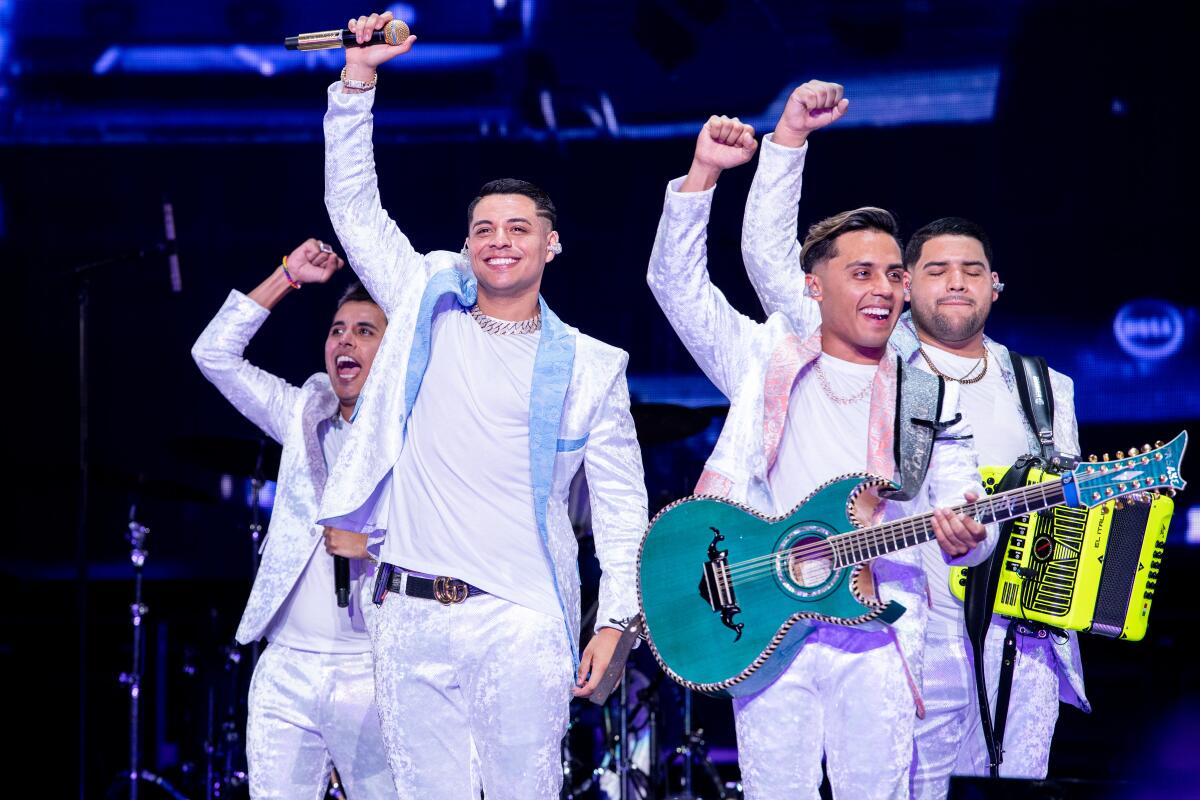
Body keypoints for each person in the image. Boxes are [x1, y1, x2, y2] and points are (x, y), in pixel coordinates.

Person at [314, 11, 649, 798]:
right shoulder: (426, 309)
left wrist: (618, 622)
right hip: (408, 613)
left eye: (519, 228)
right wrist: (358, 80)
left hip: (520, 618)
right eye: (484, 229)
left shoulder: (592, 368)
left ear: (550, 245)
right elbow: (355, 208)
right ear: (467, 246)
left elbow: (624, 510)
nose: (499, 239)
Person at [738, 84, 1088, 794]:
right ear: (904, 289)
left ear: (997, 286)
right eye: (932, 270)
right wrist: (788, 144)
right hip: (907, 628)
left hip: (1020, 640)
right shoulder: (881, 368)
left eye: (971, 271)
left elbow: (1070, 515)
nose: (954, 283)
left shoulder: (1050, 386)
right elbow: (773, 263)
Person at [647, 111, 997, 799]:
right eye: (861, 272)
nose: (883, 289)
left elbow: (965, 512)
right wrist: (705, 174)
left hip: (879, 622)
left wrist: (968, 535)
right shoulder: (762, 360)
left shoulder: (927, 394)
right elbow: (678, 286)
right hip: (764, 617)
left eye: (894, 274)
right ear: (814, 284)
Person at [191, 238, 395, 799]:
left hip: (373, 670)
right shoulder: (302, 412)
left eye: (364, 331)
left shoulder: (418, 436)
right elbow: (213, 355)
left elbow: (457, 536)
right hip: (286, 668)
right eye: (337, 330)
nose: (344, 341)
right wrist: (288, 275)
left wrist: (373, 545)